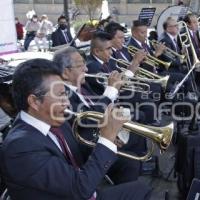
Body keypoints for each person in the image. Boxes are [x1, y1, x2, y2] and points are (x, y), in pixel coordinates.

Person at [0, 58, 152, 199]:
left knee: (134, 176)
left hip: (80, 188)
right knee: (140, 191)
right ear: (34, 102)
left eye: (66, 93)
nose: (66, 102)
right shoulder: (19, 147)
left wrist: (106, 139)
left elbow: (79, 152)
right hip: (77, 191)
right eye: (60, 95)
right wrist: (106, 139)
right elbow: (80, 188)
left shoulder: (53, 120)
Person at [53, 46, 142, 184]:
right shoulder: (62, 94)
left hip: (98, 132)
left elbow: (97, 110)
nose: (86, 69)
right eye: (80, 65)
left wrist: (112, 131)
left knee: (136, 130)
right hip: (86, 146)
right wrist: (111, 90)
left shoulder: (82, 86)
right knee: (130, 163)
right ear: (65, 73)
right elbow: (87, 119)